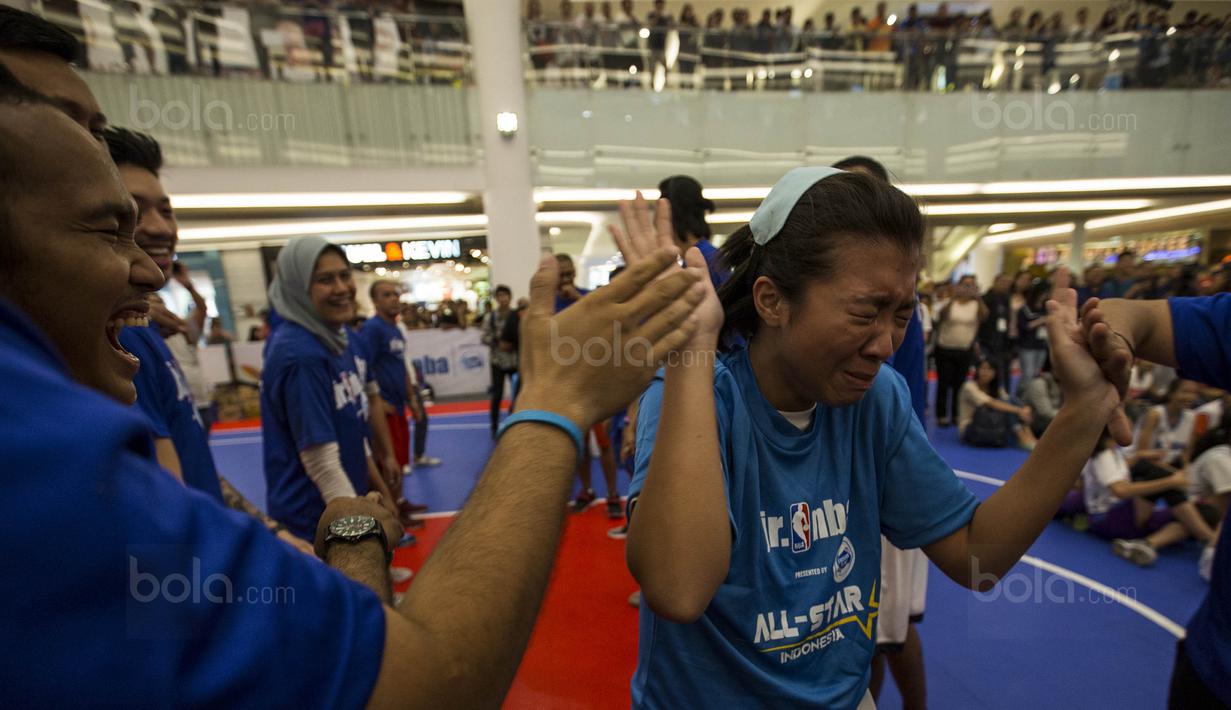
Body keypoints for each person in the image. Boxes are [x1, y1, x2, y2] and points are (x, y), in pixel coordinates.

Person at [0, 75, 709, 702]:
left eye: (155, 219)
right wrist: (555, 402)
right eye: (107, 225)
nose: (152, 267)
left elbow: (192, 514)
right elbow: (425, 680)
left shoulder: (106, 400)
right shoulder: (42, 458)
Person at [619, 168, 1123, 706]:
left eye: (902, 314)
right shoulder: (698, 399)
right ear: (771, 301)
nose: (885, 344)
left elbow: (977, 557)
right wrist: (691, 350)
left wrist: (1083, 410)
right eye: (865, 313)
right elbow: (678, 589)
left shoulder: (875, 398)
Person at [102, 125, 315, 555]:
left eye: (167, 209)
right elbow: (171, 507)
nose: (161, 227)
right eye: (133, 210)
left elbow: (193, 464)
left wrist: (274, 534)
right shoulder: (120, 343)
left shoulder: (145, 331)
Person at [1075, 292, 1231, 706]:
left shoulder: (1118, 448)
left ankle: (1159, 542)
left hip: (1212, 655)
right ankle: (1207, 540)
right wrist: (1117, 342)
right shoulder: (1105, 452)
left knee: (1186, 506)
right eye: (1181, 393)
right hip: (1113, 516)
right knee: (1167, 485)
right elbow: (1121, 490)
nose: (1186, 397)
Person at [358, 279, 430, 521]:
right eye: (386, 295)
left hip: (398, 406)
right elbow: (363, 368)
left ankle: (398, 503)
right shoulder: (372, 329)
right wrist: (375, 402)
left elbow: (400, 367)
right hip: (384, 407)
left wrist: (412, 401)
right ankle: (390, 514)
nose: (393, 299)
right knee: (387, 463)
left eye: (395, 294)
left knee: (399, 459)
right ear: (375, 301)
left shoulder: (396, 329)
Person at [1081, 428, 1197, 565]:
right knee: (1160, 477)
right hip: (1107, 519)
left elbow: (1118, 471)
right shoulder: (1103, 456)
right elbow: (1120, 491)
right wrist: (1171, 482)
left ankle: (1145, 544)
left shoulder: (1114, 451)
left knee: (1194, 517)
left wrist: (1139, 456)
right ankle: (1210, 540)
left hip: (1117, 515)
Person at [934, 275, 986, 427]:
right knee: (943, 382)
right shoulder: (949, 302)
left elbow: (985, 316)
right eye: (964, 285)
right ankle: (942, 415)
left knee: (960, 384)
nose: (967, 288)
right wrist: (953, 297)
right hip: (944, 347)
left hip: (964, 349)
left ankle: (957, 415)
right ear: (958, 285)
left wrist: (978, 297)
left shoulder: (977, 305)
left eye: (971, 285)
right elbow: (941, 315)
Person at [958, 359, 1037, 450]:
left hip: (991, 424)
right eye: (982, 369)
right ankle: (1020, 434)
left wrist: (1024, 408)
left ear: (995, 372)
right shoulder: (969, 386)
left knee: (1010, 401)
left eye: (989, 369)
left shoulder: (995, 388)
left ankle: (1027, 432)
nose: (985, 372)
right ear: (977, 370)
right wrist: (1019, 410)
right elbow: (991, 403)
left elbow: (1009, 400)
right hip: (970, 428)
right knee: (1007, 406)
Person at [482, 284, 519, 437]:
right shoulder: (490, 317)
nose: (503, 298)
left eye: (505, 295)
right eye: (500, 296)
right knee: (497, 395)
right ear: (496, 298)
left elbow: (524, 335)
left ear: (510, 297)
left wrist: (513, 344)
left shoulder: (517, 315)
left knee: (517, 394)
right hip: (497, 361)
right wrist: (498, 342)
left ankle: (517, 423)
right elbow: (484, 337)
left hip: (515, 361)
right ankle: (494, 427)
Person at [977, 273, 1014, 395]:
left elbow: (1008, 319)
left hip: (1003, 340)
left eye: (1007, 283)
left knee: (1004, 369)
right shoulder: (986, 298)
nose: (1005, 285)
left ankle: (1004, 394)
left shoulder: (1007, 298)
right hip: (987, 340)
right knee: (988, 369)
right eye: (1002, 282)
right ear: (995, 282)